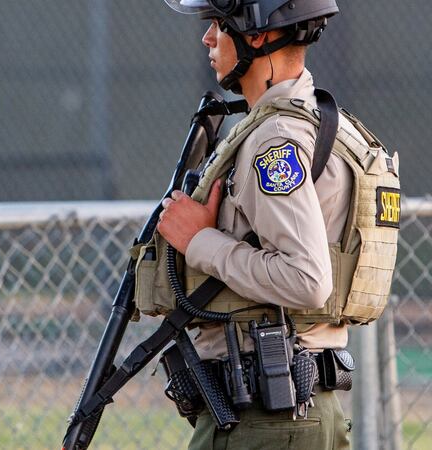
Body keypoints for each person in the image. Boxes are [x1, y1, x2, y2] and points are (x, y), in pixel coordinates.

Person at [152, 1, 399, 448]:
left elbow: (306, 279)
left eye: (219, 25)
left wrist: (199, 240)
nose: (208, 39)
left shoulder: (275, 140)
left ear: (259, 35)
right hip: (291, 413)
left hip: (267, 421)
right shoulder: (323, 123)